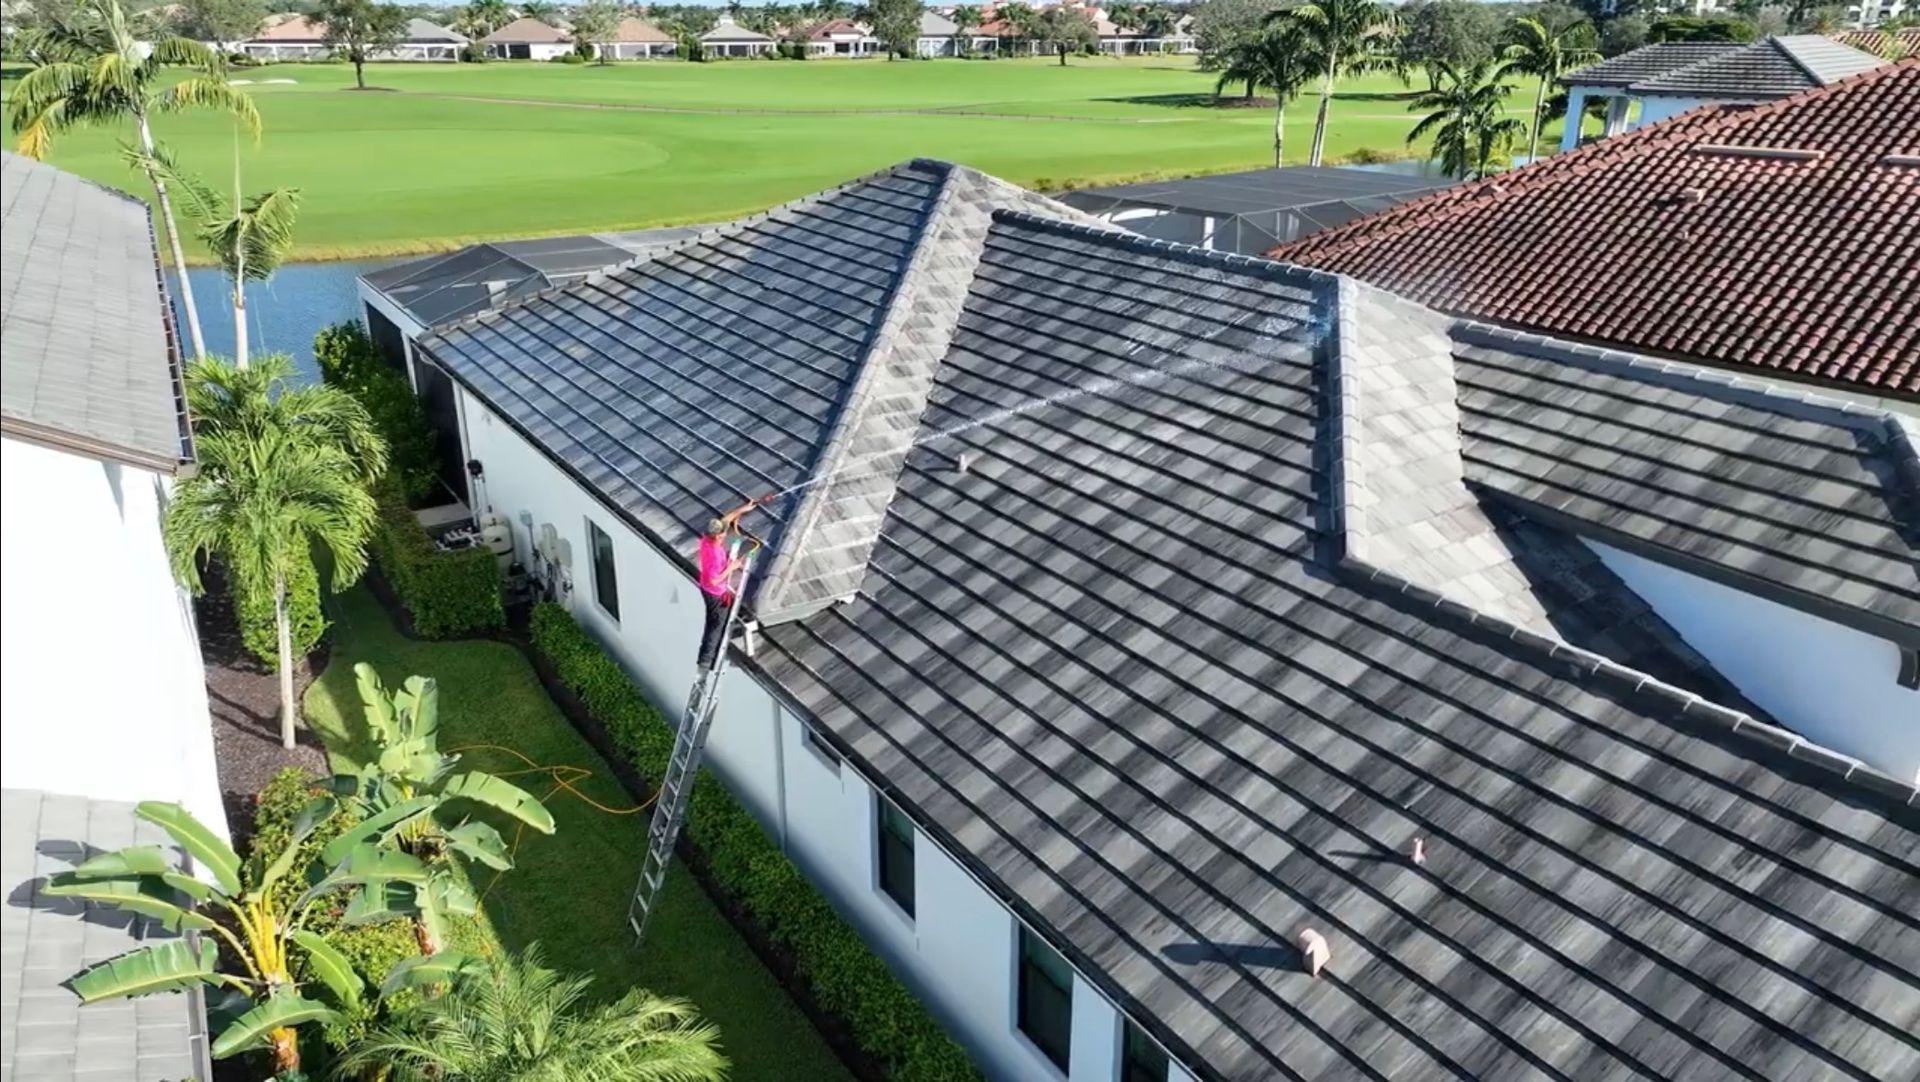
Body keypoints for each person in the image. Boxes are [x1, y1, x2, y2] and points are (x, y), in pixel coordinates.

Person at [695, 497, 761, 674]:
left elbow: (725, 520)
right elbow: (714, 580)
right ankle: (706, 661)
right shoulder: (714, 555)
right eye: (723, 534)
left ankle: (706, 657)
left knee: (714, 623)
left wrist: (744, 509)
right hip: (714, 592)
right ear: (717, 536)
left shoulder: (706, 538)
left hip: (708, 588)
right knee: (716, 626)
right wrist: (731, 567)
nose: (726, 534)